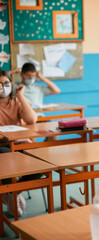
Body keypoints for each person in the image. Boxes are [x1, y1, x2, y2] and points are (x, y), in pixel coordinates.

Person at [0, 69, 38, 217]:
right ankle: (11, 193)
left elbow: (31, 120)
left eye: (6, 83)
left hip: (20, 143)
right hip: (2, 146)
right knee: (7, 158)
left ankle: (12, 193)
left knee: (42, 160)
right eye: (0, 84)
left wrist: (21, 96)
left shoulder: (16, 101)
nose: (3, 86)